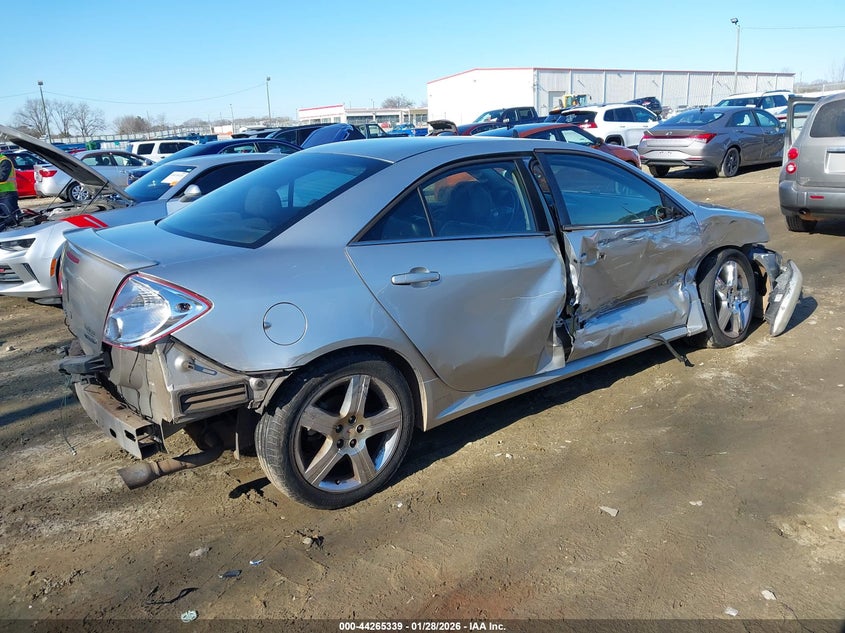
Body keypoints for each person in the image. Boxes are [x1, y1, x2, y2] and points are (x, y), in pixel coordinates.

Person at [0, 151, 21, 229]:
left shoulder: (4, 161)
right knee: (2, 221)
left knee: (12, 218)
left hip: (7, 194)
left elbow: (2, 177)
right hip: (2, 194)